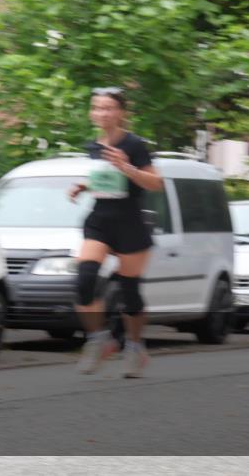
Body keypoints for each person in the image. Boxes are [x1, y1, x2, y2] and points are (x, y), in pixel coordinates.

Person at [68, 87, 163, 378]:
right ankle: (98, 340)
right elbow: (103, 176)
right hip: (99, 219)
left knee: (129, 293)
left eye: (108, 108)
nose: (102, 113)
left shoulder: (134, 144)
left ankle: (134, 346)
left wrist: (127, 167)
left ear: (121, 112)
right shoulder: (94, 145)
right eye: (97, 107)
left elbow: (156, 184)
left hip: (130, 222)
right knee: (85, 280)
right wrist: (83, 185)